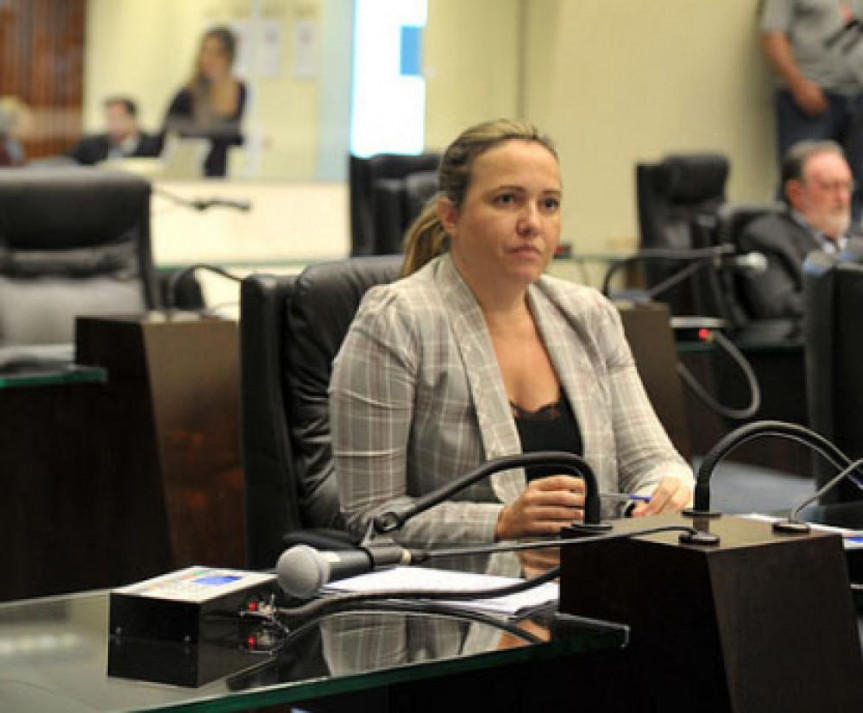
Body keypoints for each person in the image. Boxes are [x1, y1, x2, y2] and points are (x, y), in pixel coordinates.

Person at [329, 119, 693, 580]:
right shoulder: (397, 320)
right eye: (507, 200)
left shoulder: (589, 315)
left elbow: (654, 461)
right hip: (460, 603)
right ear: (450, 216)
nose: (532, 223)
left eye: (549, 204)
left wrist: (668, 489)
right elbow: (373, 515)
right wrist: (502, 523)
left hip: (591, 587)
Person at [739, 140, 863, 319]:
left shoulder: (858, 237)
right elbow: (780, 307)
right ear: (795, 192)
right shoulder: (766, 238)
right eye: (829, 187)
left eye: (847, 186)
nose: (842, 198)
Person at [759, 0, 863, 215]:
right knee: (804, 177)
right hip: (810, 101)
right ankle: (793, 234)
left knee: (851, 184)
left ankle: (846, 235)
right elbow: (772, 36)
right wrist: (798, 85)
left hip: (857, 96)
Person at [162, 26, 246, 178]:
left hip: (219, 169)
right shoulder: (188, 92)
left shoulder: (239, 89)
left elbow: (234, 134)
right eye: (206, 52)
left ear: (228, 56)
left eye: (216, 53)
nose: (209, 59)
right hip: (190, 169)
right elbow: (167, 129)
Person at [66, 97, 160, 165]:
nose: (113, 124)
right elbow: (65, 162)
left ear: (132, 119)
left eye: (118, 117)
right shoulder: (91, 145)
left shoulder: (153, 146)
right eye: (109, 118)